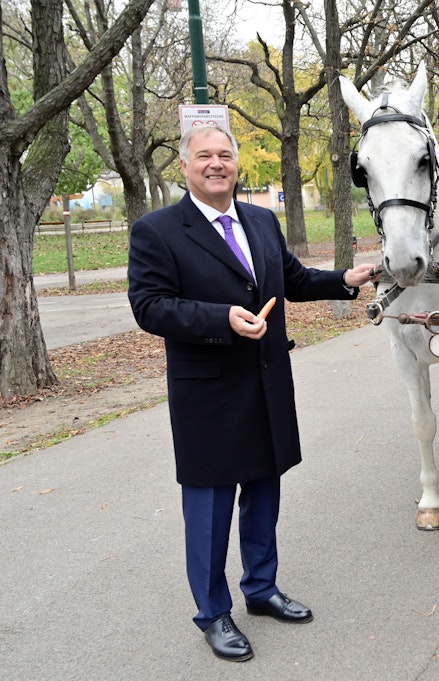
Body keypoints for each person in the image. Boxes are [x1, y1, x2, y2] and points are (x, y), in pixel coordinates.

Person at [127, 125, 376, 662]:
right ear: (185, 166)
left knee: (264, 496)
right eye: (204, 157)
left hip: (266, 385)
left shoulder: (261, 220)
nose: (216, 164)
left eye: (224, 155)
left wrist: (344, 280)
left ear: (237, 164)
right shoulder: (158, 230)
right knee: (211, 509)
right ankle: (213, 613)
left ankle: (261, 590)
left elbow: (292, 279)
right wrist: (223, 319)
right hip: (208, 397)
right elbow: (149, 307)